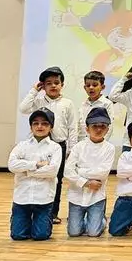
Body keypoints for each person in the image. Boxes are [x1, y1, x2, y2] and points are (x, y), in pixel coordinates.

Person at [18, 66, 78, 224]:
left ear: (62, 85)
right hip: (39, 146)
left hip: (59, 145)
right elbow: (23, 108)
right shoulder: (38, 101)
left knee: (56, 179)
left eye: (56, 82)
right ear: (42, 86)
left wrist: (71, 149)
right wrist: (34, 91)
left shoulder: (67, 103)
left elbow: (72, 127)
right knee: (36, 176)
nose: (53, 86)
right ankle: (34, 210)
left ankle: (52, 213)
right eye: (48, 83)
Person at [8, 108, 62, 241]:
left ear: (51, 127)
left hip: (43, 199)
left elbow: (52, 171)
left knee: (41, 235)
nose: (40, 126)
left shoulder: (55, 147)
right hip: (22, 197)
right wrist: (36, 164)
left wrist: (25, 170)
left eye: (44, 123)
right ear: (31, 126)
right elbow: (12, 165)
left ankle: (40, 223)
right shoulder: (22, 146)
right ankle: (22, 221)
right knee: (18, 235)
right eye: (35, 123)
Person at [64, 107, 115, 237]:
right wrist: (85, 183)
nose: (98, 129)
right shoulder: (78, 147)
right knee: (74, 232)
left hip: (96, 196)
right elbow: (67, 171)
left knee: (93, 233)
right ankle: (84, 221)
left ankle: (100, 220)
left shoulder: (109, 148)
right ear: (87, 129)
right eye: (94, 126)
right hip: (76, 195)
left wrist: (79, 170)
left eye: (102, 126)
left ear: (107, 129)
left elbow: (102, 173)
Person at [77, 71, 115, 143]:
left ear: (102, 87)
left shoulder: (107, 104)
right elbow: (80, 126)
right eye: (88, 85)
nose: (91, 87)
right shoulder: (83, 105)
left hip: (99, 143)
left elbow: (110, 126)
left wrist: (101, 143)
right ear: (85, 88)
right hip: (83, 143)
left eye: (95, 85)